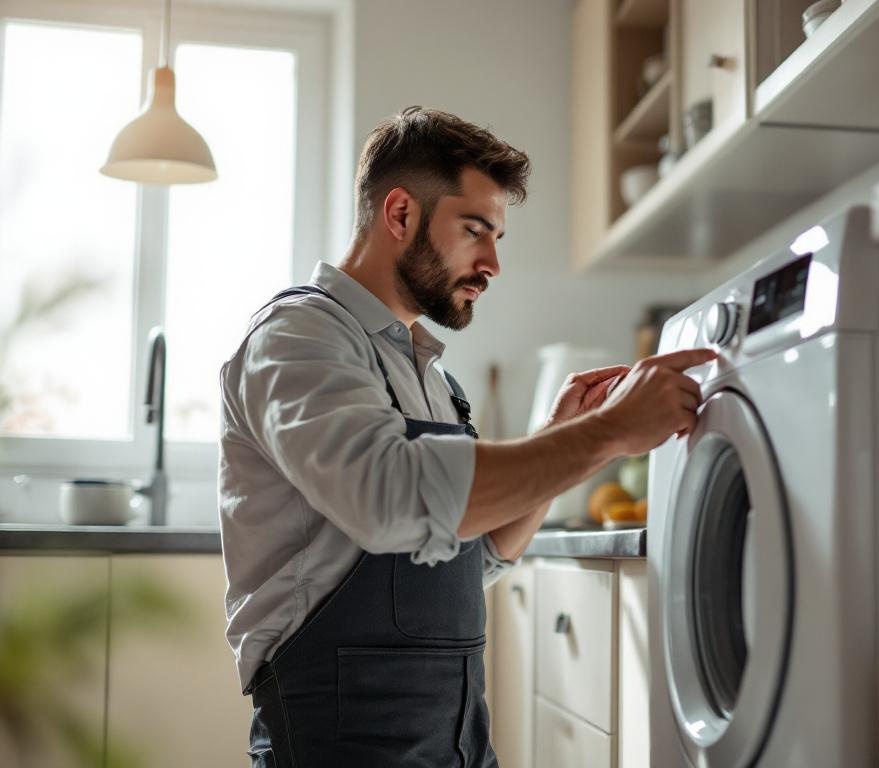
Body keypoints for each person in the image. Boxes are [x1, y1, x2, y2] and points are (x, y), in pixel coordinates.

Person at [218, 106, 715, 768]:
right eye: (476, 230)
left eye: (498, 236)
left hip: (456, 738)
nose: (493, 263)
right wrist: (607, 432)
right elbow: (391, 500)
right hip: (339, 742)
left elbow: (472, 557)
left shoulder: (429, 372)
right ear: (400, 216)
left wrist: (561, 440)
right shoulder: (298, 338)